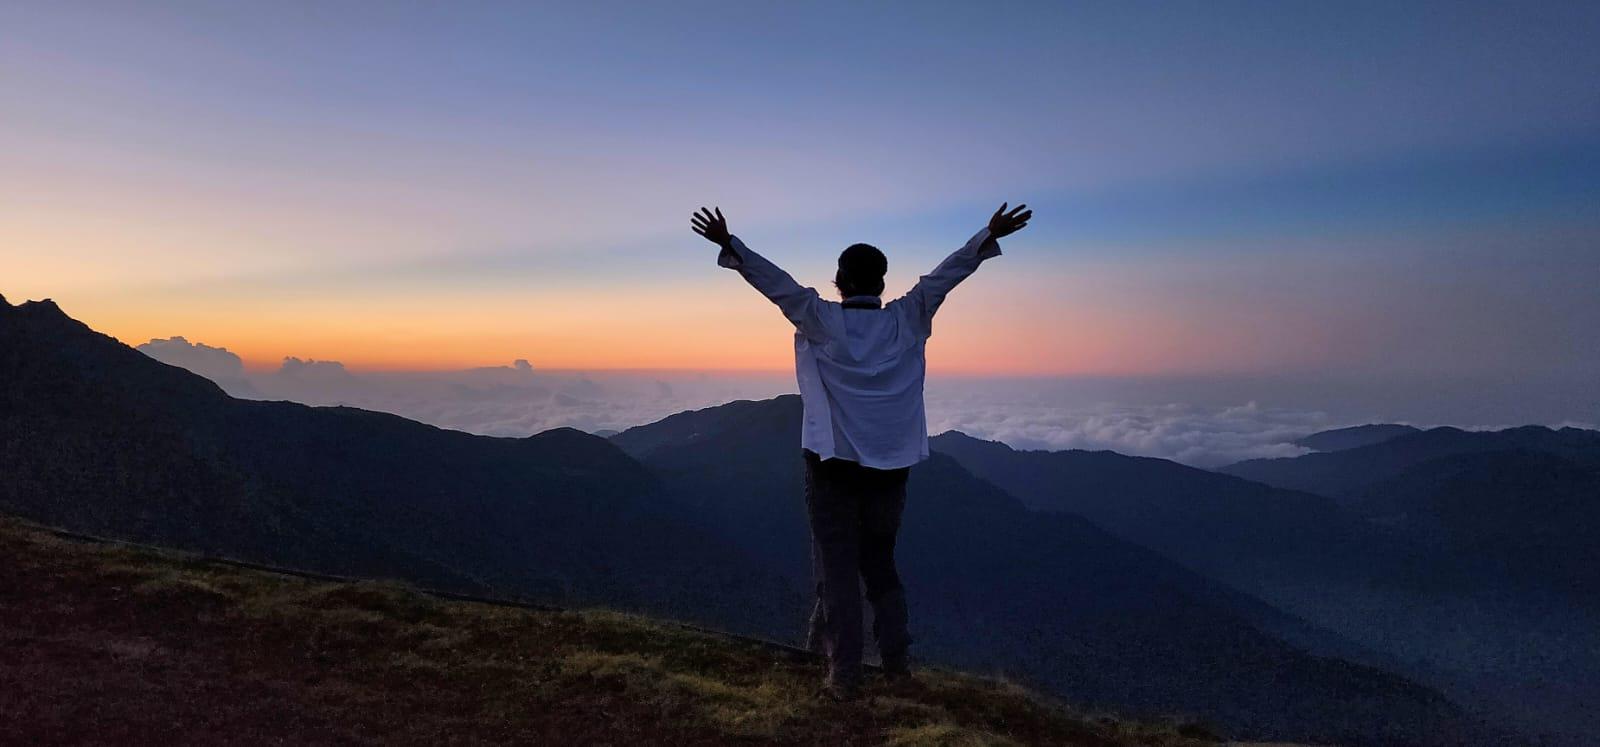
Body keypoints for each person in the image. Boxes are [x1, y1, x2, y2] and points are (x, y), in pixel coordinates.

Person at [690, 203, 1031, 700]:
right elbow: (948, 274)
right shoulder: (909, 316)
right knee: (880, 561)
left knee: (836, 565)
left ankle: (843, 674)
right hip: (891, 468)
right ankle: (896, 665)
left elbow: (775, 283)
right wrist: (989, 233)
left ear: (838, 280)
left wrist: (730, 243)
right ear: (883, 282)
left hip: (832, 466)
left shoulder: (821, 319)